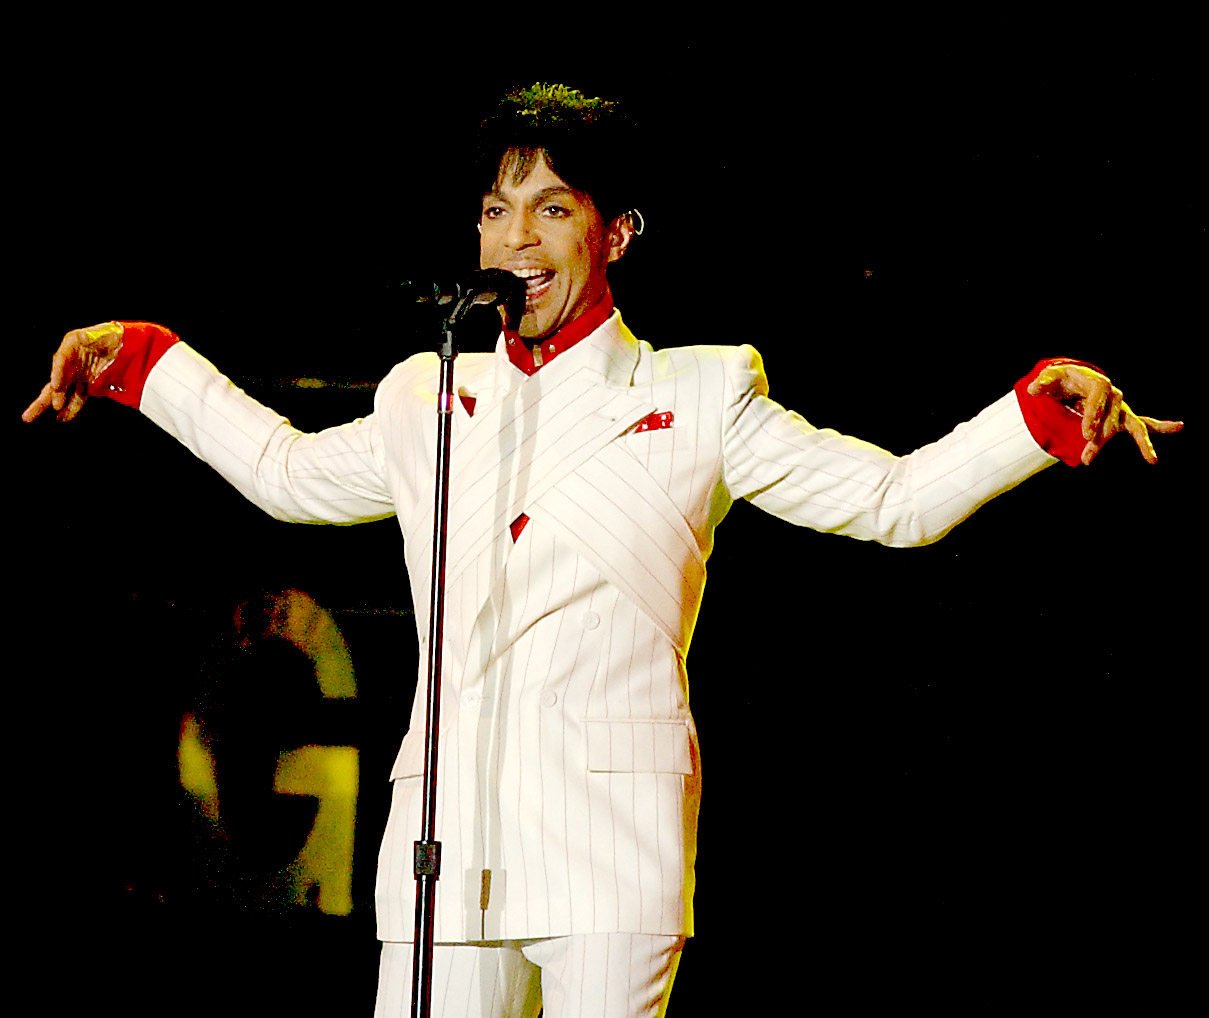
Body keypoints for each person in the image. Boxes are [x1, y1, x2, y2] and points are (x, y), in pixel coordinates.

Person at [22, 82, 1182, 1018]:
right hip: (445, 847)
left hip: (609, 854)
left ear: (615, 232)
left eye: (551, 209)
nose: (513, 237)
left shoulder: (700, 391)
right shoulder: (431, 392)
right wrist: (143, 360)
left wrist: (1033, 414)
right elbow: (283, 476)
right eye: (494, 209)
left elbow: (893, 499)